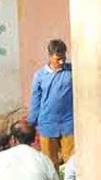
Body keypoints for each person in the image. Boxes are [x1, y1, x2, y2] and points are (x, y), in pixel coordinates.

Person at [28, 39, 74, 168]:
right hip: (47, 123)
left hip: (68, 123)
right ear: (50, 56)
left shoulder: (71, 71)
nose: (62, 61)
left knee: (71, 160)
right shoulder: (40, 75)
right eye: (58, 59)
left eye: (64, 58)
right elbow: (35, 99)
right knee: (49, 162)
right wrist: (32, 122)